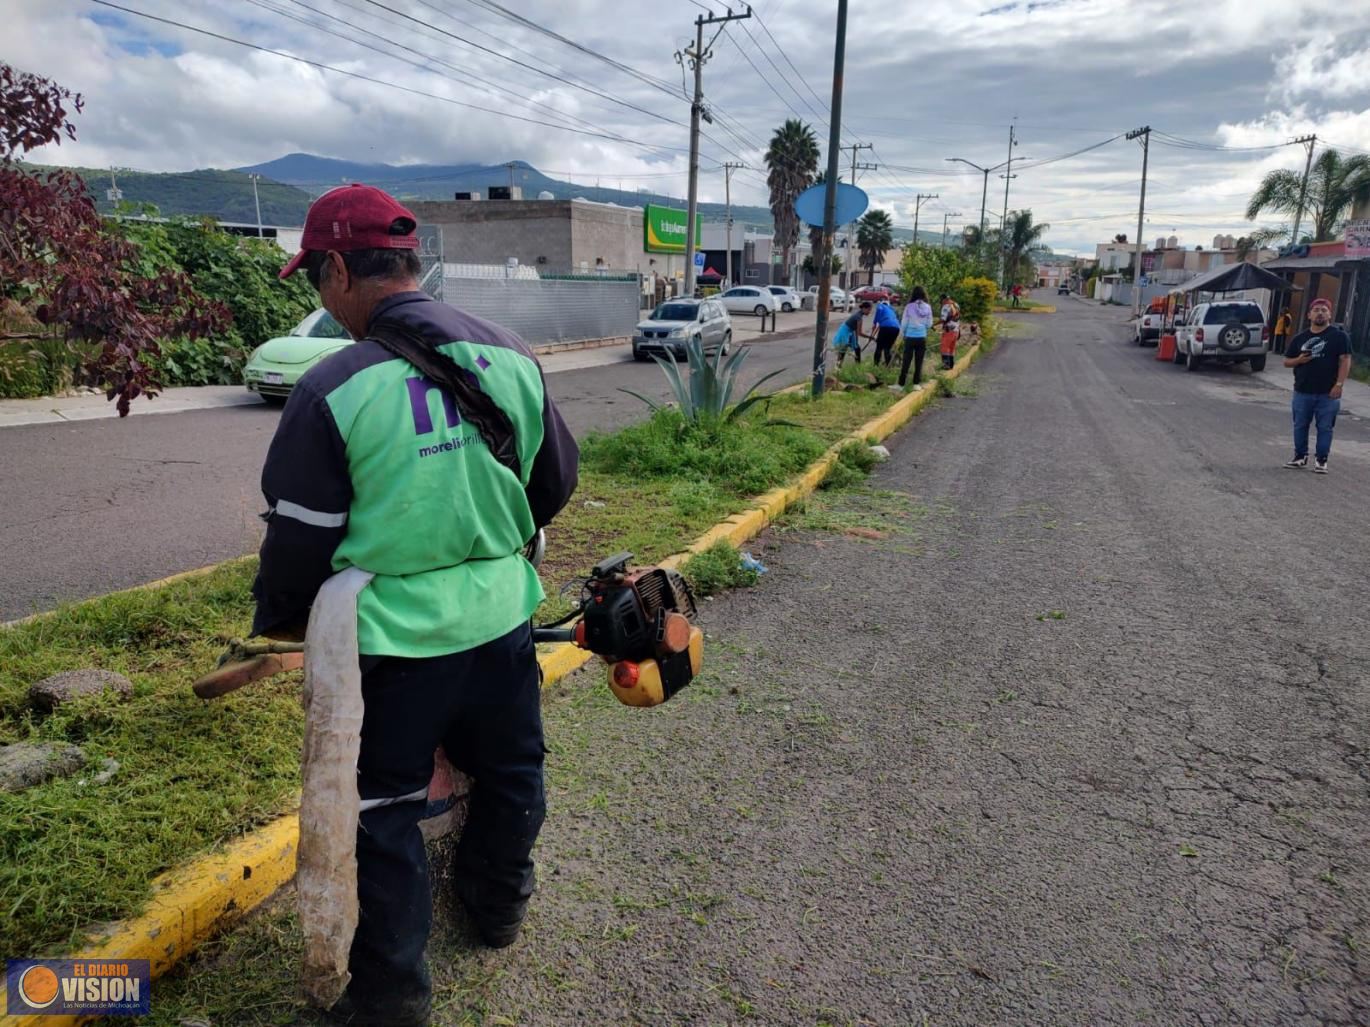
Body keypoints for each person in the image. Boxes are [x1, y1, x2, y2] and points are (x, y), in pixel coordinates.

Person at [257, 184, 579, 1026]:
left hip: (397, 646)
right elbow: (553, 485)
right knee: (513, 771)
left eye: (315, 280)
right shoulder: (510, 353)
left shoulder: (334, 386)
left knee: (383, 809)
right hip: (505, 618)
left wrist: (287, 624)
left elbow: (301, 540)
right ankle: (498, 906)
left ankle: (392, 993)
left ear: (337, 268)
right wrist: (482, 544)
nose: (320, 300)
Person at [1282, 298, 1351, 474]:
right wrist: (1299, 360)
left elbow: (1345, 360)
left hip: (1328, 393)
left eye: (1324, 310)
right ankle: (1300, 457)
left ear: (1329, 314)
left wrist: (1339, 384)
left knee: (1325, 427)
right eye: (1316, 310)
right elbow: (1287, 362)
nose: (1320, 313)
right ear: (1309, 315)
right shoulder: (1300, 338)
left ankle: (1321, 460)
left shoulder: (1338, 336)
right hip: (1302, 391)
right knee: (1300, 425)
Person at [898, 286, 933, 387]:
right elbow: (929, 324)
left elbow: (904, 322)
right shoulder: (928, 307)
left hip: (910, 337)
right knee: (919, 361)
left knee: (906, 361)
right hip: (922, 337)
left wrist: (902, 334)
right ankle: (916, 383)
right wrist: (922, 328)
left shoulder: (909, 306)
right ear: (923, 295)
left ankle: (901, 384)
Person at [833, 301, 871, 367]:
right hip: (844, 332)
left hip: (850, 331)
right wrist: (870, 337)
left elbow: (856, 331)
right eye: (868, 310)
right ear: (864, 308)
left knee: (857, 348)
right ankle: (838, 368)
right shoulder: (859, 317)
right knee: (842, 351)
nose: (869, 312)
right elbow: (860, 333)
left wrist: (856, 342)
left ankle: (858, 367)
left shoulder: (859, 315)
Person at [870, 298, 901, 366]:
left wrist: (871, 335)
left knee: (879, 347)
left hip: (885, 326)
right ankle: (888, 367)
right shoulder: (892, 309)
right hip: (896, 328)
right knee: (887, 348)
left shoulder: (880, 306)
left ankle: (875, 365)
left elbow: (875, 324)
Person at [938, 294, 961, 370]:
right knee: (952, 347)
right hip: (956, 330)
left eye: (941, 300)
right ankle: (951, 365)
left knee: (944, 347)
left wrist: (933, 324)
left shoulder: (946, 306)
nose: (941, 302)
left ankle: (946, 365)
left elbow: (943, 319)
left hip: (949, 330)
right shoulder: (956, 305)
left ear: (943, 299)